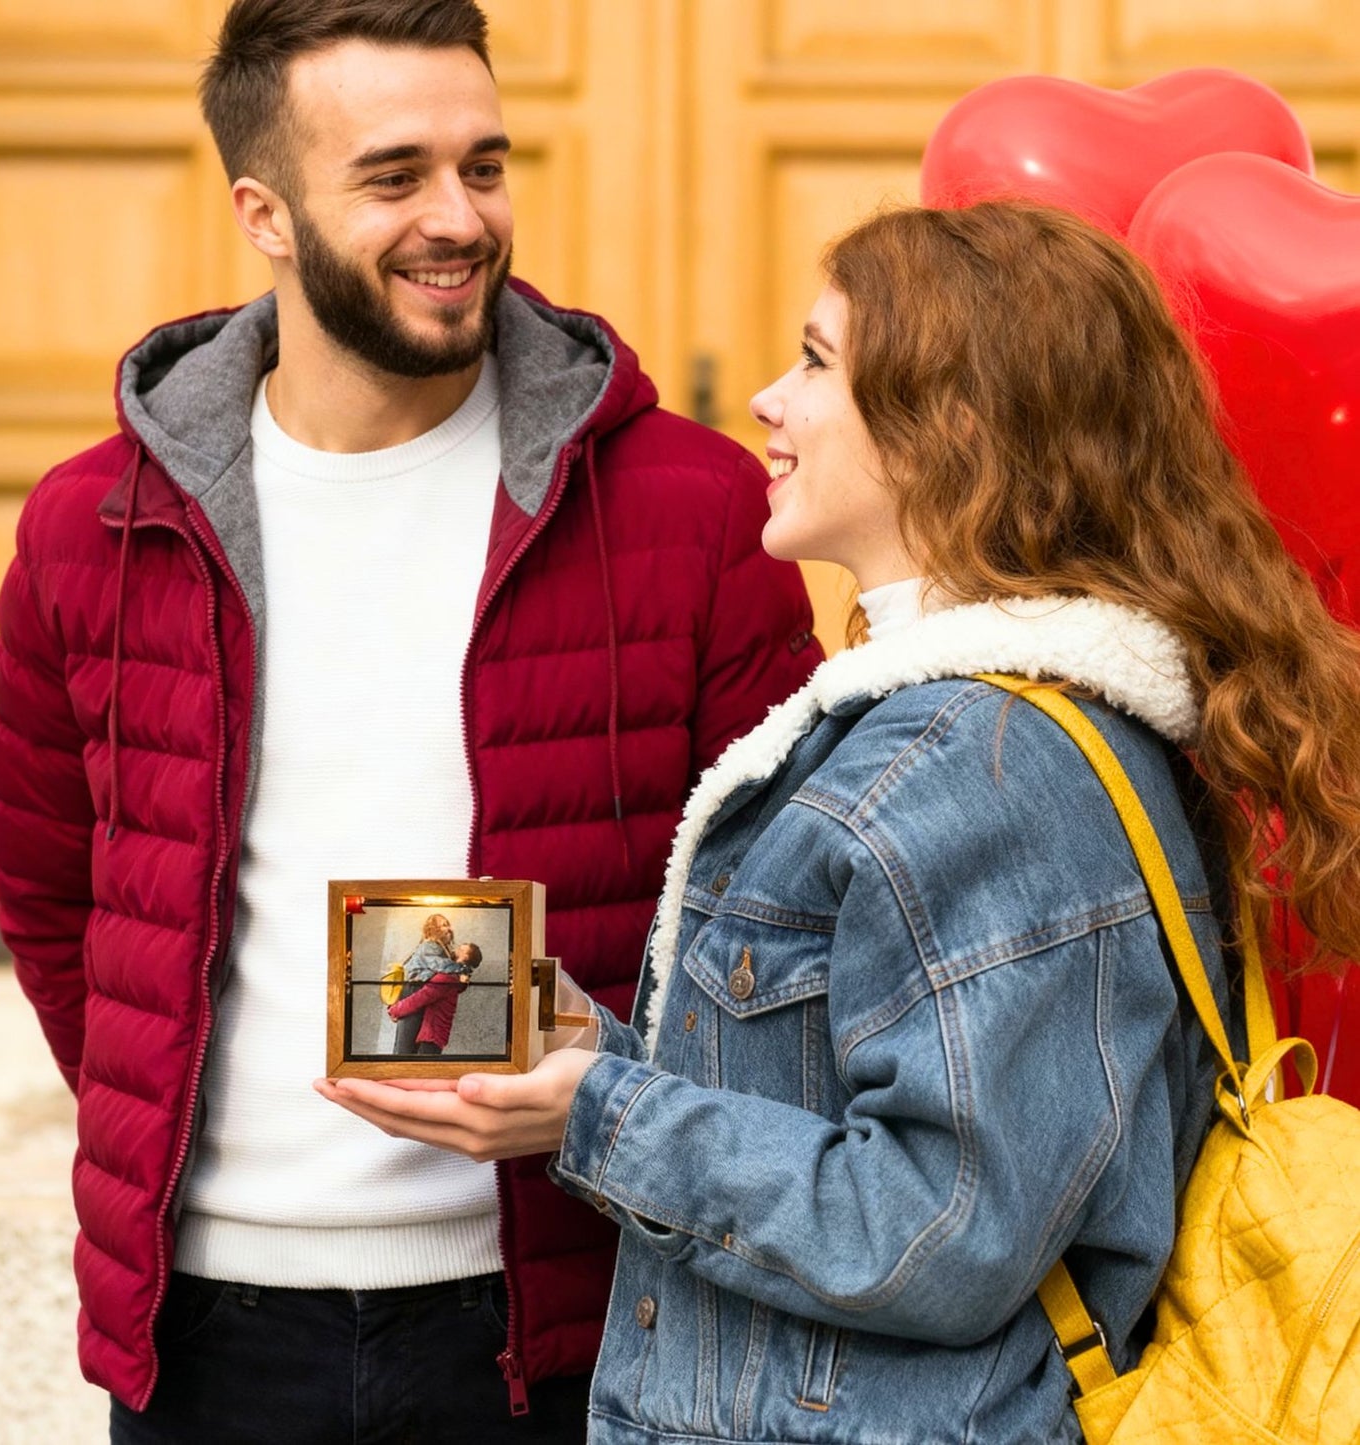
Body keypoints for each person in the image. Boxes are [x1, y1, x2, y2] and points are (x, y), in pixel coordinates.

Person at [317, 200, 1360, 1443]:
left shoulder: (979, 764)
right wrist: (568, 1042)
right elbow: (817, 1092)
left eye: (815, 362)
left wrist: (592, 1113)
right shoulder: (937, 727)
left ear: (948, 430)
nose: (765, 398)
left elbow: (933, 1228)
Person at [0, 0, 819, 1439]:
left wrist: (616, 1105)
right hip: (205, 1333)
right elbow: (55, 899)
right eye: (393, 176)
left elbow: (791, 905)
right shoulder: (96, 526)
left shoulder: (692, 508)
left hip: (570, 1316)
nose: (460, 217)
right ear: (266, 212)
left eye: (482, 165)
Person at [390, 943, 484, 1056]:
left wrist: (394, 1010)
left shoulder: (448, 977)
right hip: (434, 1035)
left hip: (431, 1036)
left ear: (465, 956)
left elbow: (421, 998)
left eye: (461, 948)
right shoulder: (456, 977)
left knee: (419, 1070)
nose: (456, 948)